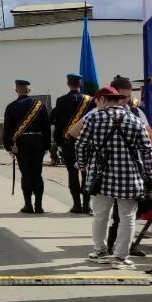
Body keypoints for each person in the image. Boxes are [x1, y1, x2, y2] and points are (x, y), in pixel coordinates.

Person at [76, 86, 152, 269]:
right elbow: (147, 150)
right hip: (130, 177)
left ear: (102, 99)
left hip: (100, 177)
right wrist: (149, 175)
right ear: (117, 99)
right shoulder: (134, 120)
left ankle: (99, 251)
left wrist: (83, 164)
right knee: (127, 217)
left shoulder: (94, 118)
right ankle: (121, 257)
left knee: (100, 215)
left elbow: (81, 144)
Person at [2, 78, 52, 214]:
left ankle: (28, 205)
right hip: (38, 142)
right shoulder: (40, 105)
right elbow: (46, 127)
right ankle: (39, 205)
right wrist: (47, 145)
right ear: (29, 90)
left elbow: (7, 129)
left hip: (21, 144)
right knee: (37, 173)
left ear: (16, 90)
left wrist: (8, 147)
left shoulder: (11, 107)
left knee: (26, 174)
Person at [52, 73, 93, 213]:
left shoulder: (61, 101)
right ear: (80, 84)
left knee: (72, 174)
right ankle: (87, 205)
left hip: (68, 142)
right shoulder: (90, 101)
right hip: (87, 142)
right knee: (86, 174)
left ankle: (77, 205)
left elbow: (58, 125)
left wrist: (58, 142)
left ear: (68, 83)